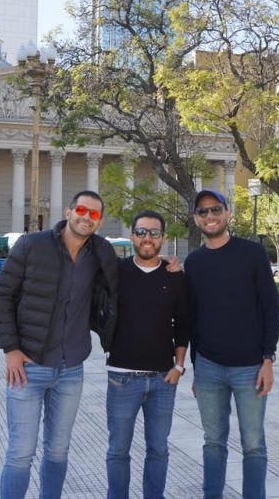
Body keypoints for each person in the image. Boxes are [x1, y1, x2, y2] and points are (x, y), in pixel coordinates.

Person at [0, 190, 118, 499]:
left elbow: (128, 281)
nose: (87, 217)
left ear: (99, 222)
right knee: (21, 452)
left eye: (94, 215)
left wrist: (170, 266)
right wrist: (11, 350)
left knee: (58, 451)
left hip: (71, 369)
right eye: (82, 210)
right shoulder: (32, 245)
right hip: (28, 368)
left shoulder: (102, 253)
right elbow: (1, 296)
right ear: (69, 211)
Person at [184, 190, 279, 499]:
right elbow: (193, 319)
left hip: (250, 367)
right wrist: (197, 370)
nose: (209, 216)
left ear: (227, 213)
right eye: (203, 212)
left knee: (253, 444)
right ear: (196, 219)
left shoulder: (252, 253)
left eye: (215, 210)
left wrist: (268, 360)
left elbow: (271, 309)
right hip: (210, 369)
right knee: (213, 441)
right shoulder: (194, 262)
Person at [106, 210, 190, 499]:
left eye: (154, 233)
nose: (147, 238)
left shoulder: (175, 277)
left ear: (163, 239)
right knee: (118, 450)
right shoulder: (115, 272)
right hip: (121, 378)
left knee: (159, 449)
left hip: (162, 380)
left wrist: (179, 366)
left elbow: (183, 323)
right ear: (131, 237)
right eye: (141, 232)